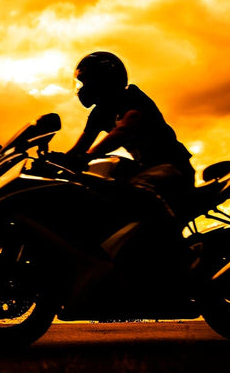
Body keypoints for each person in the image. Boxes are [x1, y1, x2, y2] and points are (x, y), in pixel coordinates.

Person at [66, 51, 196, 299]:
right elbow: (79, 148)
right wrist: (54, 160)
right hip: (146, 168)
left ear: (102, 79)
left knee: (137, 190)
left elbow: (125, 128)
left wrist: (90, 155)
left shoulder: (132, 98)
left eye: (85, 81)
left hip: (172, 167)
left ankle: (180, 255)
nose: (81, 88)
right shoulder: (99, 112)